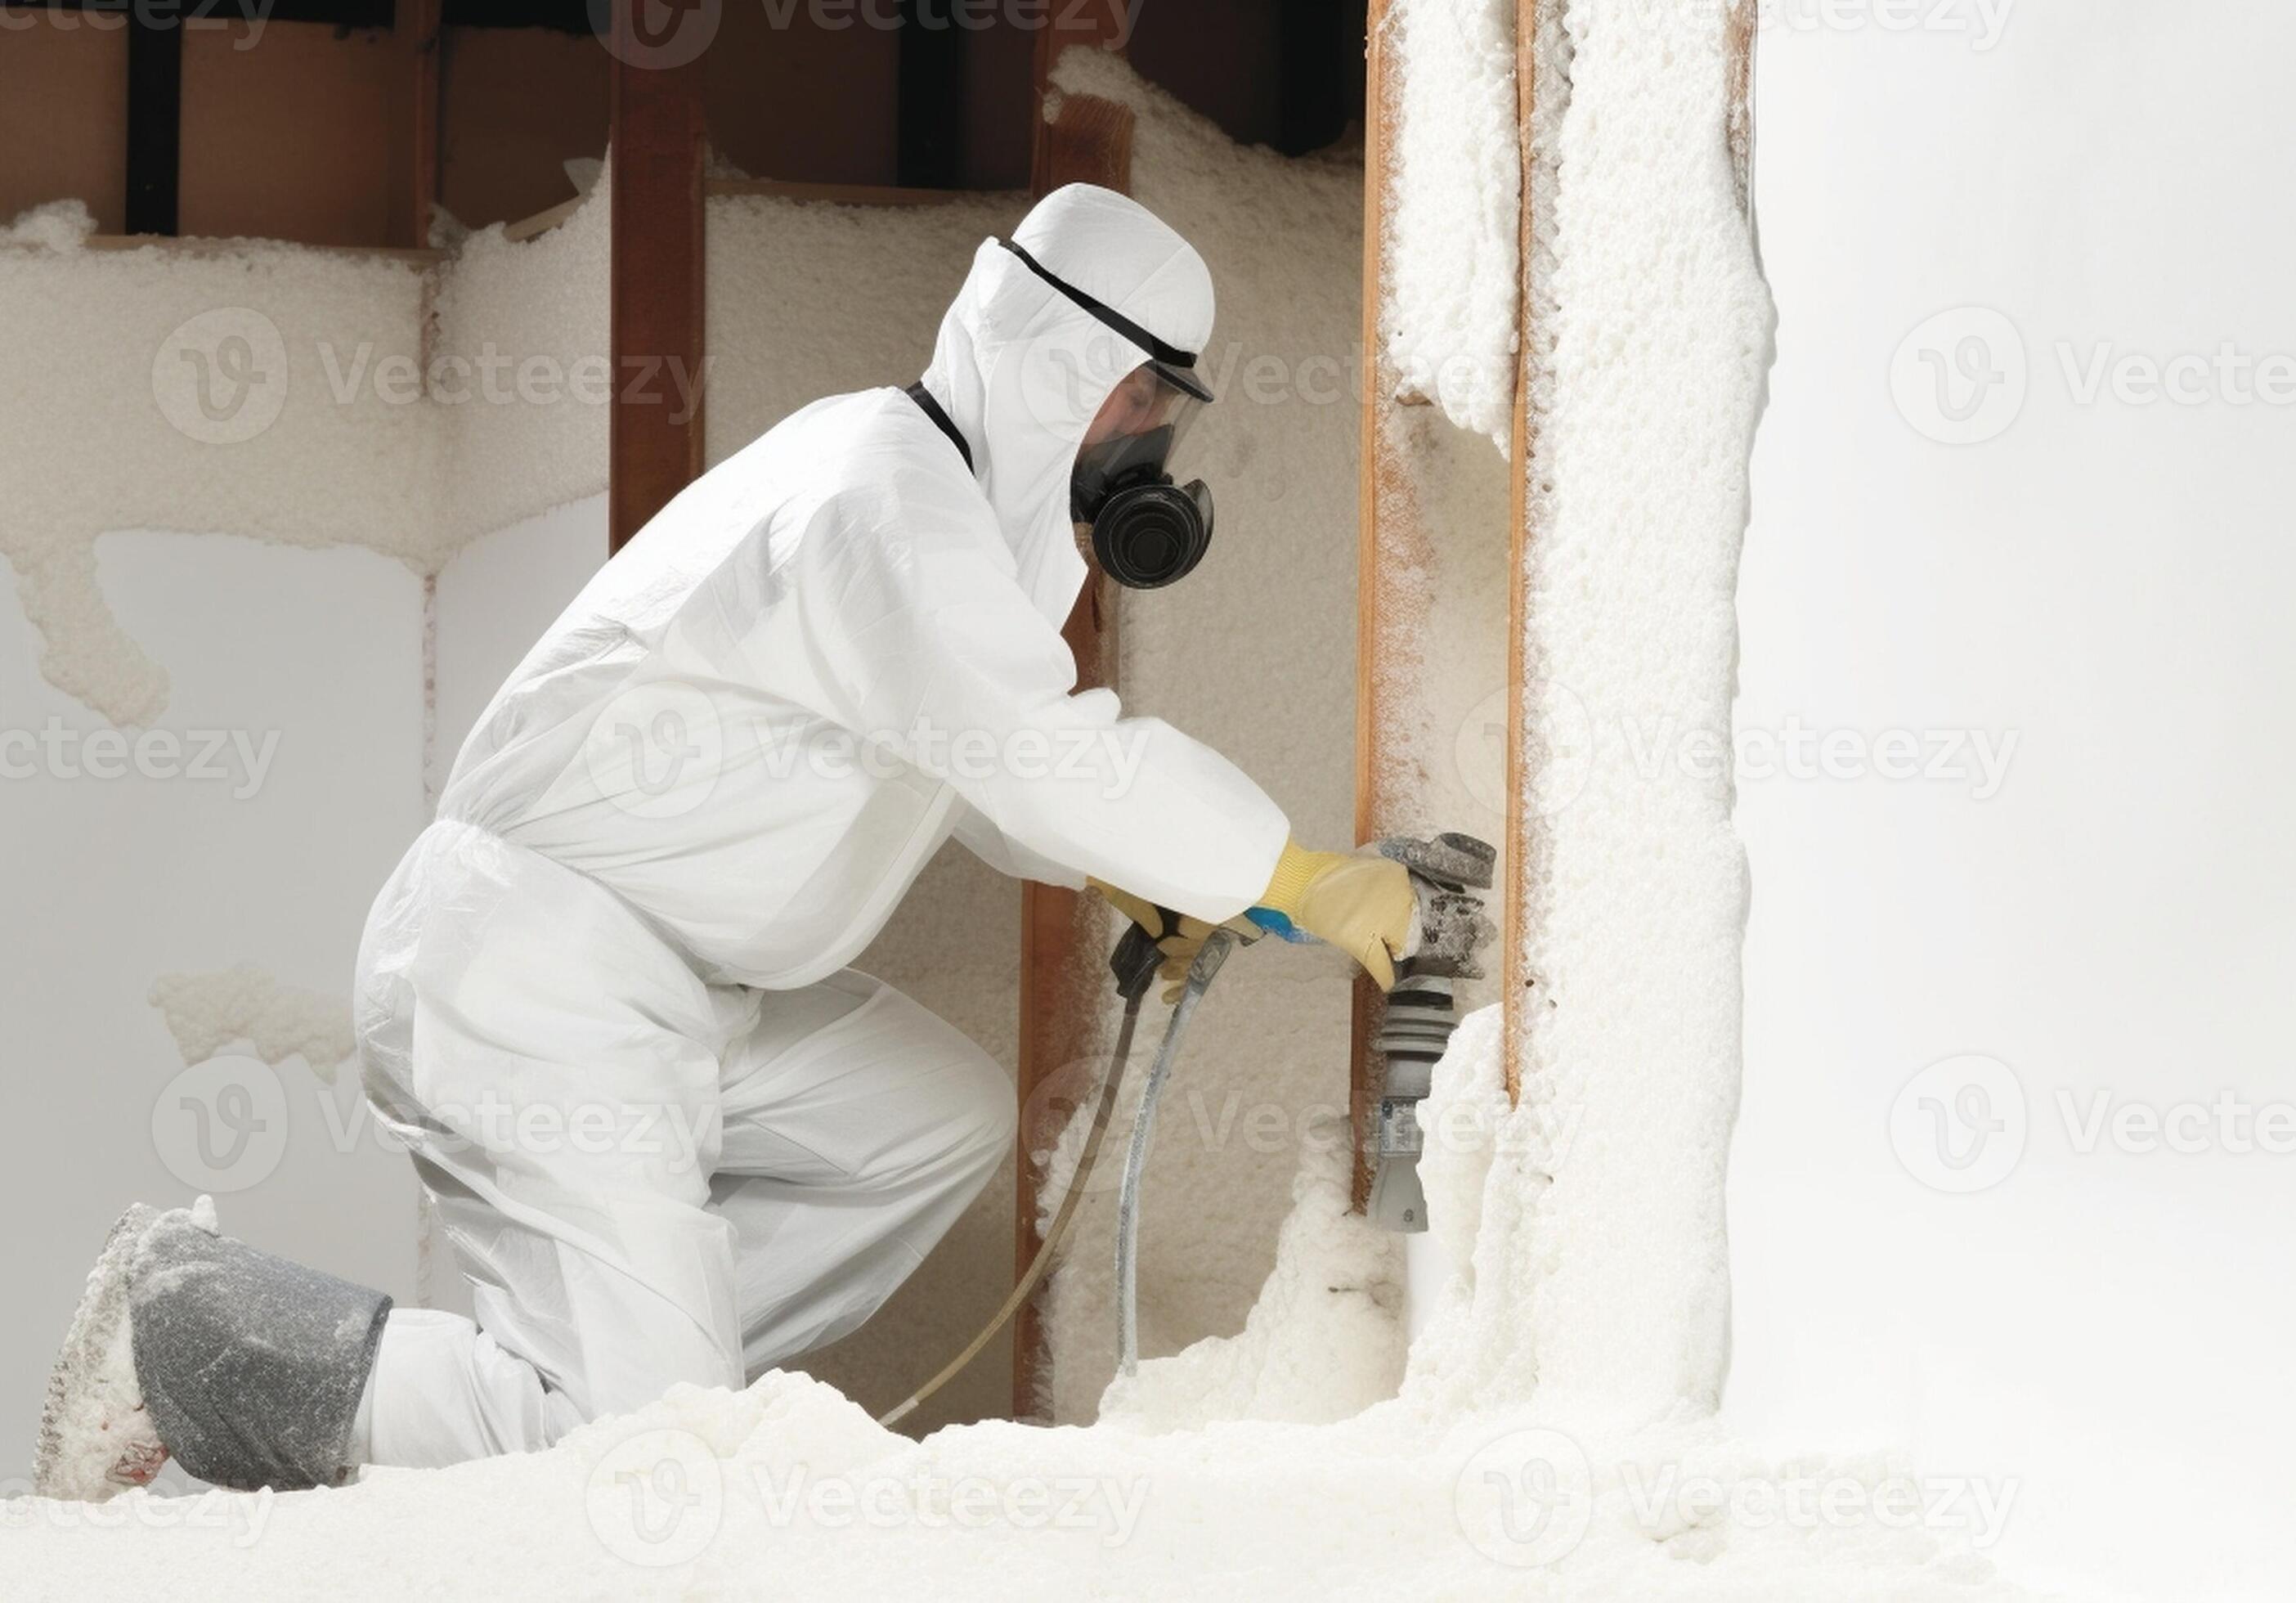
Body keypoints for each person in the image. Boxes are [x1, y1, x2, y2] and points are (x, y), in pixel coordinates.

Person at [32, 183, 1418, 1498]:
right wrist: (1288, 872)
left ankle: (649, 1367)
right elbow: (1036, 750)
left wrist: (1143, 868)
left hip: (665, 984)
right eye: (1140, 400)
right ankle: (186, 1335)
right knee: (628, 1441)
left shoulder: (923, 506)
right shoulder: (882, 497)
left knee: (924, 1122)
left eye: (1166, 409)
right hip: (533, 969)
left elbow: (983, 762)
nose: (1148, 443)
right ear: (1057, 366)